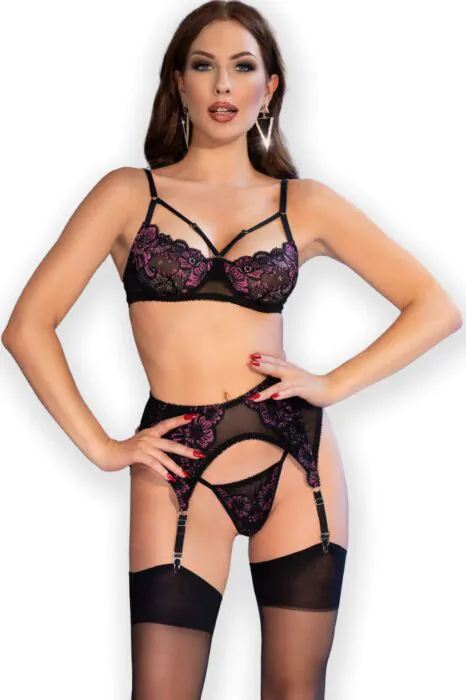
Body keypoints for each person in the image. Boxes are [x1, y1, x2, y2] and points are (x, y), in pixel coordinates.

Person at [2, 2, 462, 698]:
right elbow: (28, 325)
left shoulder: (304, 203)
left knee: (295, 690)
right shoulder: (128, 194)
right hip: (174, 459)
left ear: (269, 88)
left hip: (294, 456)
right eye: (204, 66)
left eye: (243, 67)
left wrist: (333, 383)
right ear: (178, 83)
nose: (223, 85)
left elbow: (435, 307)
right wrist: (101, 447)